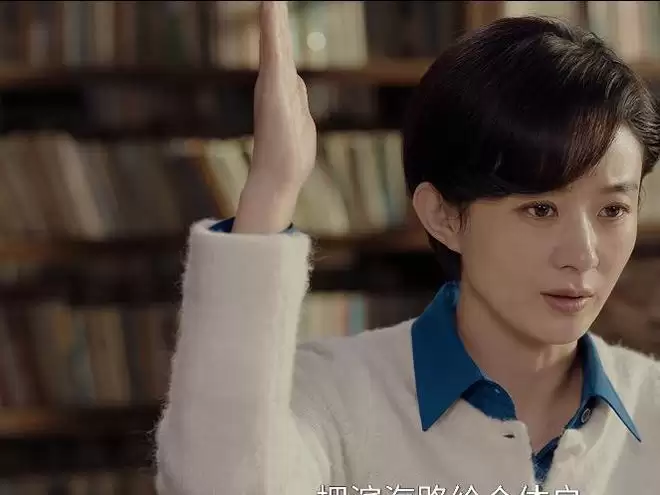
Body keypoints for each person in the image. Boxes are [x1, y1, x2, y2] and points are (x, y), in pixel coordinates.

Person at [154, 2, 660, 494]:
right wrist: (270, 190)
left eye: (612, 210)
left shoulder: (652, 405)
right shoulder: (328, 397)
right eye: (541, 210)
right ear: (443, 216)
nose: (583, 254)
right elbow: (220, 482)